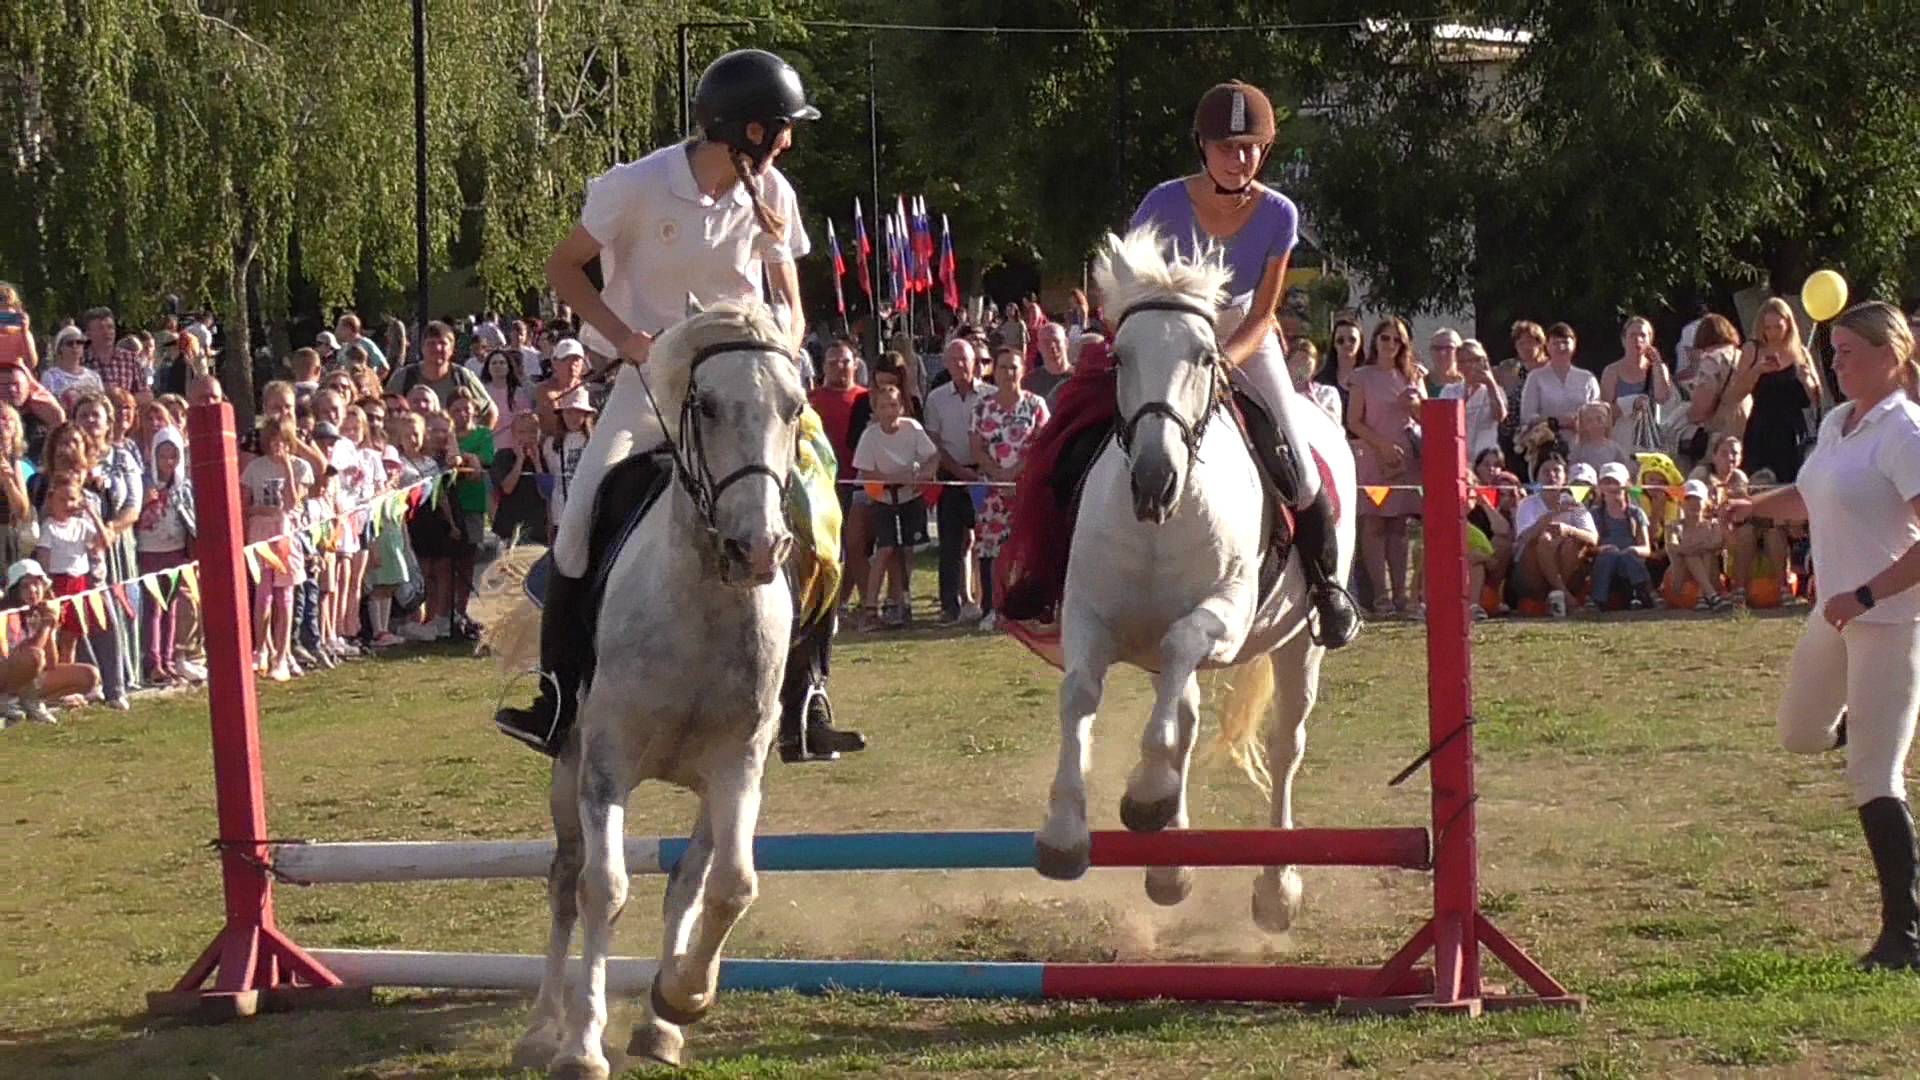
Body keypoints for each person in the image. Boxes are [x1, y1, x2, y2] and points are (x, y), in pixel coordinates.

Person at [494, 48, 863, 765]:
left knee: (817, 520)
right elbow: (562, 268)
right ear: (749, 131)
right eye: (784, 128)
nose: (790, 140)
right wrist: (626, 338)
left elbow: (788, 296)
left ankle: (807, 697)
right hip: (651, 382)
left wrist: (782, 342)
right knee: (578, 525)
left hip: (746, 389)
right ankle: (558, 697)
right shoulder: (634, 187)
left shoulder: (773, 193)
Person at [1125, 79, 1358, 645]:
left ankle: (1327, 589)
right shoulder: (1160, 203)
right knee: (1079, 428)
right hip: (1166, 332)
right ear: (1202, 147)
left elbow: (1263, 314)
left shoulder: (1280, 213)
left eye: (1252, 146)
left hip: (1242, 337)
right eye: (1229, 146)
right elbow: (1129, 285)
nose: (1241, 157)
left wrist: (1221, 362)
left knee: (1301, 470)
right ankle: (1051, 578)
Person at [1737, 301, 1920, 971]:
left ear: (1890, 357)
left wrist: (1868, 593)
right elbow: (1814, 497)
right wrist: (1752, 507)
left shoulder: (1904, 432)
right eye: (1834, 350)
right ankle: (1868, 721)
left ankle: (1905, 937)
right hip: (1833, 616)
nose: (1835, 362)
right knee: (1797, 732)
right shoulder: (1841, 422)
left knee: (1874, 774)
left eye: (1848, 352)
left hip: (1890, 623)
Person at [969, 345, 1050, 628]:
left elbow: (1043, 444)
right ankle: (992, 608)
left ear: (1022, 370)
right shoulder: (983, 407)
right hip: (992, 491)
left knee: (1028, 550)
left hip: (1027, 490)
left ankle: (1030, 609)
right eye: (1003, 367)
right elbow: (976, 448)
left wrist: (1015, 472)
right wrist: (997, 473)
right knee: (991, 551)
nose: (1009, 373)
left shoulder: (1036, 405)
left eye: (1014, 367)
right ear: (995, 371)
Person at [1350, 317, 1426, 618]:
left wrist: (1416, 405)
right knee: (1374, 523)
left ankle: (1402, 596)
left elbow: (1425, 419)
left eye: (1397, 340)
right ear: (1375, 341)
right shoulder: (1362, 376)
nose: (1391, 345)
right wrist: (1380, 445)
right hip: (1373, 454)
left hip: (1405, 457)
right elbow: (1353, 420)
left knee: (1399, 526)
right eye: (1386, 339)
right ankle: (1380, 596)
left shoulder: (1412, 375)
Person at [1727, 297, 1823, 484]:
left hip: (1794, 431)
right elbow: (1735, 394)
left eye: (1777, 327)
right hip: (1762, 429)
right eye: (1767, 327)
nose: (1772, 333)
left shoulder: (1801, 352)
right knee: (1760, 485)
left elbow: (1817, 399)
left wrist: (1807, 381)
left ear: (1788, 325)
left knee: (1792, 483)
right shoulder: (1752, 349)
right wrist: (1758, 371)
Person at [924, 338, 983, 623]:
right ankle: (951, 606)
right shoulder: (935, 399)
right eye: (954, 360)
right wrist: (960, 471)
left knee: (987, 541)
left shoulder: (991, 395)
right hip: (951, 475)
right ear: (946, 364)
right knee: (950, 544)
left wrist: (980, 470)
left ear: (975, 362)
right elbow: (934, 442)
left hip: (985, 477)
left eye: (965, 359)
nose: (960, 365)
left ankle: (990, 603)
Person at [0, 560, 99, 724]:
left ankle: (31, 702)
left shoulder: (41, 611)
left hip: (30, 680)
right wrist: (45, 628)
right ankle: (7, 700)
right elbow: (28, 656)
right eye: (25, 586)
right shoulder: (8, 614)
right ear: (14, 590)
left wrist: (51, 626)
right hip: (6, 673)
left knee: (89, 675)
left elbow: (51, 663)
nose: (32, 590)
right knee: (34, 655)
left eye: (36, 584)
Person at [1512, 456, 1598, 618]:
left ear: (1565, 477)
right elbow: (1524, 539)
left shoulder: (1575, 504)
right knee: (1543, 540)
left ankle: (1558, 593)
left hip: (1568, 565)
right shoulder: (1527, 504)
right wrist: (1553, 514)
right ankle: (1563, 595)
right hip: (1532, 573)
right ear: (1537, 477)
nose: (1551, 475)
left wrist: (1568, 530)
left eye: (1556, 471)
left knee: (1573, 543)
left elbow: (1593, 537)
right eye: (1545, 471)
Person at [1586, 461, 1655, 611]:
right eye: (1606, 481)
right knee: (1609, 556)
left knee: (1628, 556)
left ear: (1625, 485)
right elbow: (1589, 549)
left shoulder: (1636, 513)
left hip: (1629, 563)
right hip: (1605, 563)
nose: (1611, 486)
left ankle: (1641, 594)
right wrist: (1603, 549)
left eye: (1615, 482)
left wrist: (1633, 550)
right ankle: (1597, 599)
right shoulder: (1594, 515)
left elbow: (1646, 548)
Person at [1599, 316, 1675, 450]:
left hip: (1651, 440)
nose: (1638, 339)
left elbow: (1662, 398)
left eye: (1643, 335)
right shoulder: (1612, 371)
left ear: (1650, 340)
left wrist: (1657, 365)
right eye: (1632, 335)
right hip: (1622, 439)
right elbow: (1606, 412)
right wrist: (1631, 403)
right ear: (1623, 340)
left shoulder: (1658, 368)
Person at [1665, 478, 1733, 612]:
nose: (1693, 504)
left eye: (1698, 499)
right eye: (1688, 499)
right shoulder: (1674, 526)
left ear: (1705, 502)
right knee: (1690, 554)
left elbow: (1717, 543)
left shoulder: (1713, 525)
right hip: (1681, 578)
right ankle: (1709, 595)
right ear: (1681, 503)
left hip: (1710, 572)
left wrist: (1695, 549)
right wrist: (1692, 549)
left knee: (1703, 554)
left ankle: (1705, 595)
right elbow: (1672, 545)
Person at [1519, 322, 1600, 428]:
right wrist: (1557, 422)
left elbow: (1598, 413)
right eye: (1555, 343)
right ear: (1547, 346)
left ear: (1574, 344)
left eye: (1565, 342)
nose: (1561, 347)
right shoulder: (1536, 377)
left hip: (1581, 441)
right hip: (1547, 441)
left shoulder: (1587, 378)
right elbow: (1527, 416)